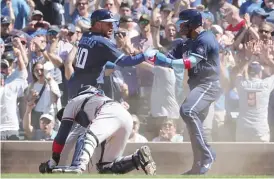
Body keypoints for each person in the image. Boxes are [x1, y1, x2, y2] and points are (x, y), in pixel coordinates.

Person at [151, 9, 221, 174]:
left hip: (209, 84)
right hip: (197, 86)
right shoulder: (186, 42)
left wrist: (167, 60)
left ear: (193, 24)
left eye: (182, 24)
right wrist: (148, 56)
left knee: (187, 111)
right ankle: (198, 166)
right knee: (192, 126)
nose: (179, 27)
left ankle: (208, 154)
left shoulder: (206, 38)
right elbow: (167, 59)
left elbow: (191, 62)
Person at [39, 85, 156, 175]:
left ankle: (78, 166)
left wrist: (53, 161)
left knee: (86, 136)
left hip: (109, 111)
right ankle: (137, 158)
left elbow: (61, 135)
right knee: (106, 167)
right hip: (126, 118)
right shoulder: (96, 99)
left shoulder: (74, 101)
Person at [68, 9, 158, 98]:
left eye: (112, 23)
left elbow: (99, 54)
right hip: (88, 89)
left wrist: (118, 47)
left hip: (74, 84)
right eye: (108, 24)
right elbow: (125, 61)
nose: (111, 26)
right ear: (98, 24)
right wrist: (144, 55)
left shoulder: (86, 35)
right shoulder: (102, 42)